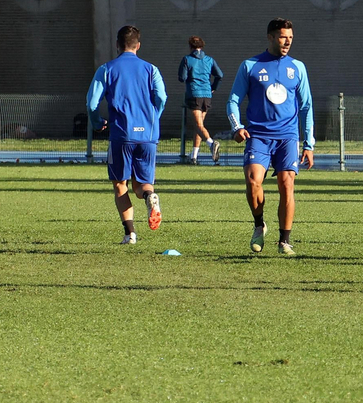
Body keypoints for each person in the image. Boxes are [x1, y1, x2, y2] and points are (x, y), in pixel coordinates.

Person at [227, 19, 314, 256]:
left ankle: (284, 241)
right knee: (254, 181)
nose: (287, 42)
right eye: (282, 37)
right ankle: (259, 224)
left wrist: (309, 143)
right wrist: (237, 127)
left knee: (287, 184)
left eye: (291, 38)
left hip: (287, 136)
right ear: (270, 37)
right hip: (258, 135)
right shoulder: (250, 65)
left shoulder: (298, 67)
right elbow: (233, 100)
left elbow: (306, 106)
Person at [87, 25, 167, 244]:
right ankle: (150, 197)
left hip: (121, 135)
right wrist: (152, 118)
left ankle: (130, 233)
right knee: (142, 184)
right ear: (138, 45)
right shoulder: (151, 69)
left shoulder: (107, 69)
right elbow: (162, 97)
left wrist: (96, 122)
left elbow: (92, 102)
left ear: (117, 45)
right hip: (148, 136)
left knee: (120, 184)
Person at [177, 36, 223, 165]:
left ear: (190, 46)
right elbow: (219, 75)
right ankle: (194, 156)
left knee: (198, 125)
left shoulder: (187, 59)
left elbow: (182, 77)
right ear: (202, 46)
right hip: (207, 95)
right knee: (199, 125)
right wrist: (213, 87)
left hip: (194, 94)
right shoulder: (209, 60)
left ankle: (211, 143)